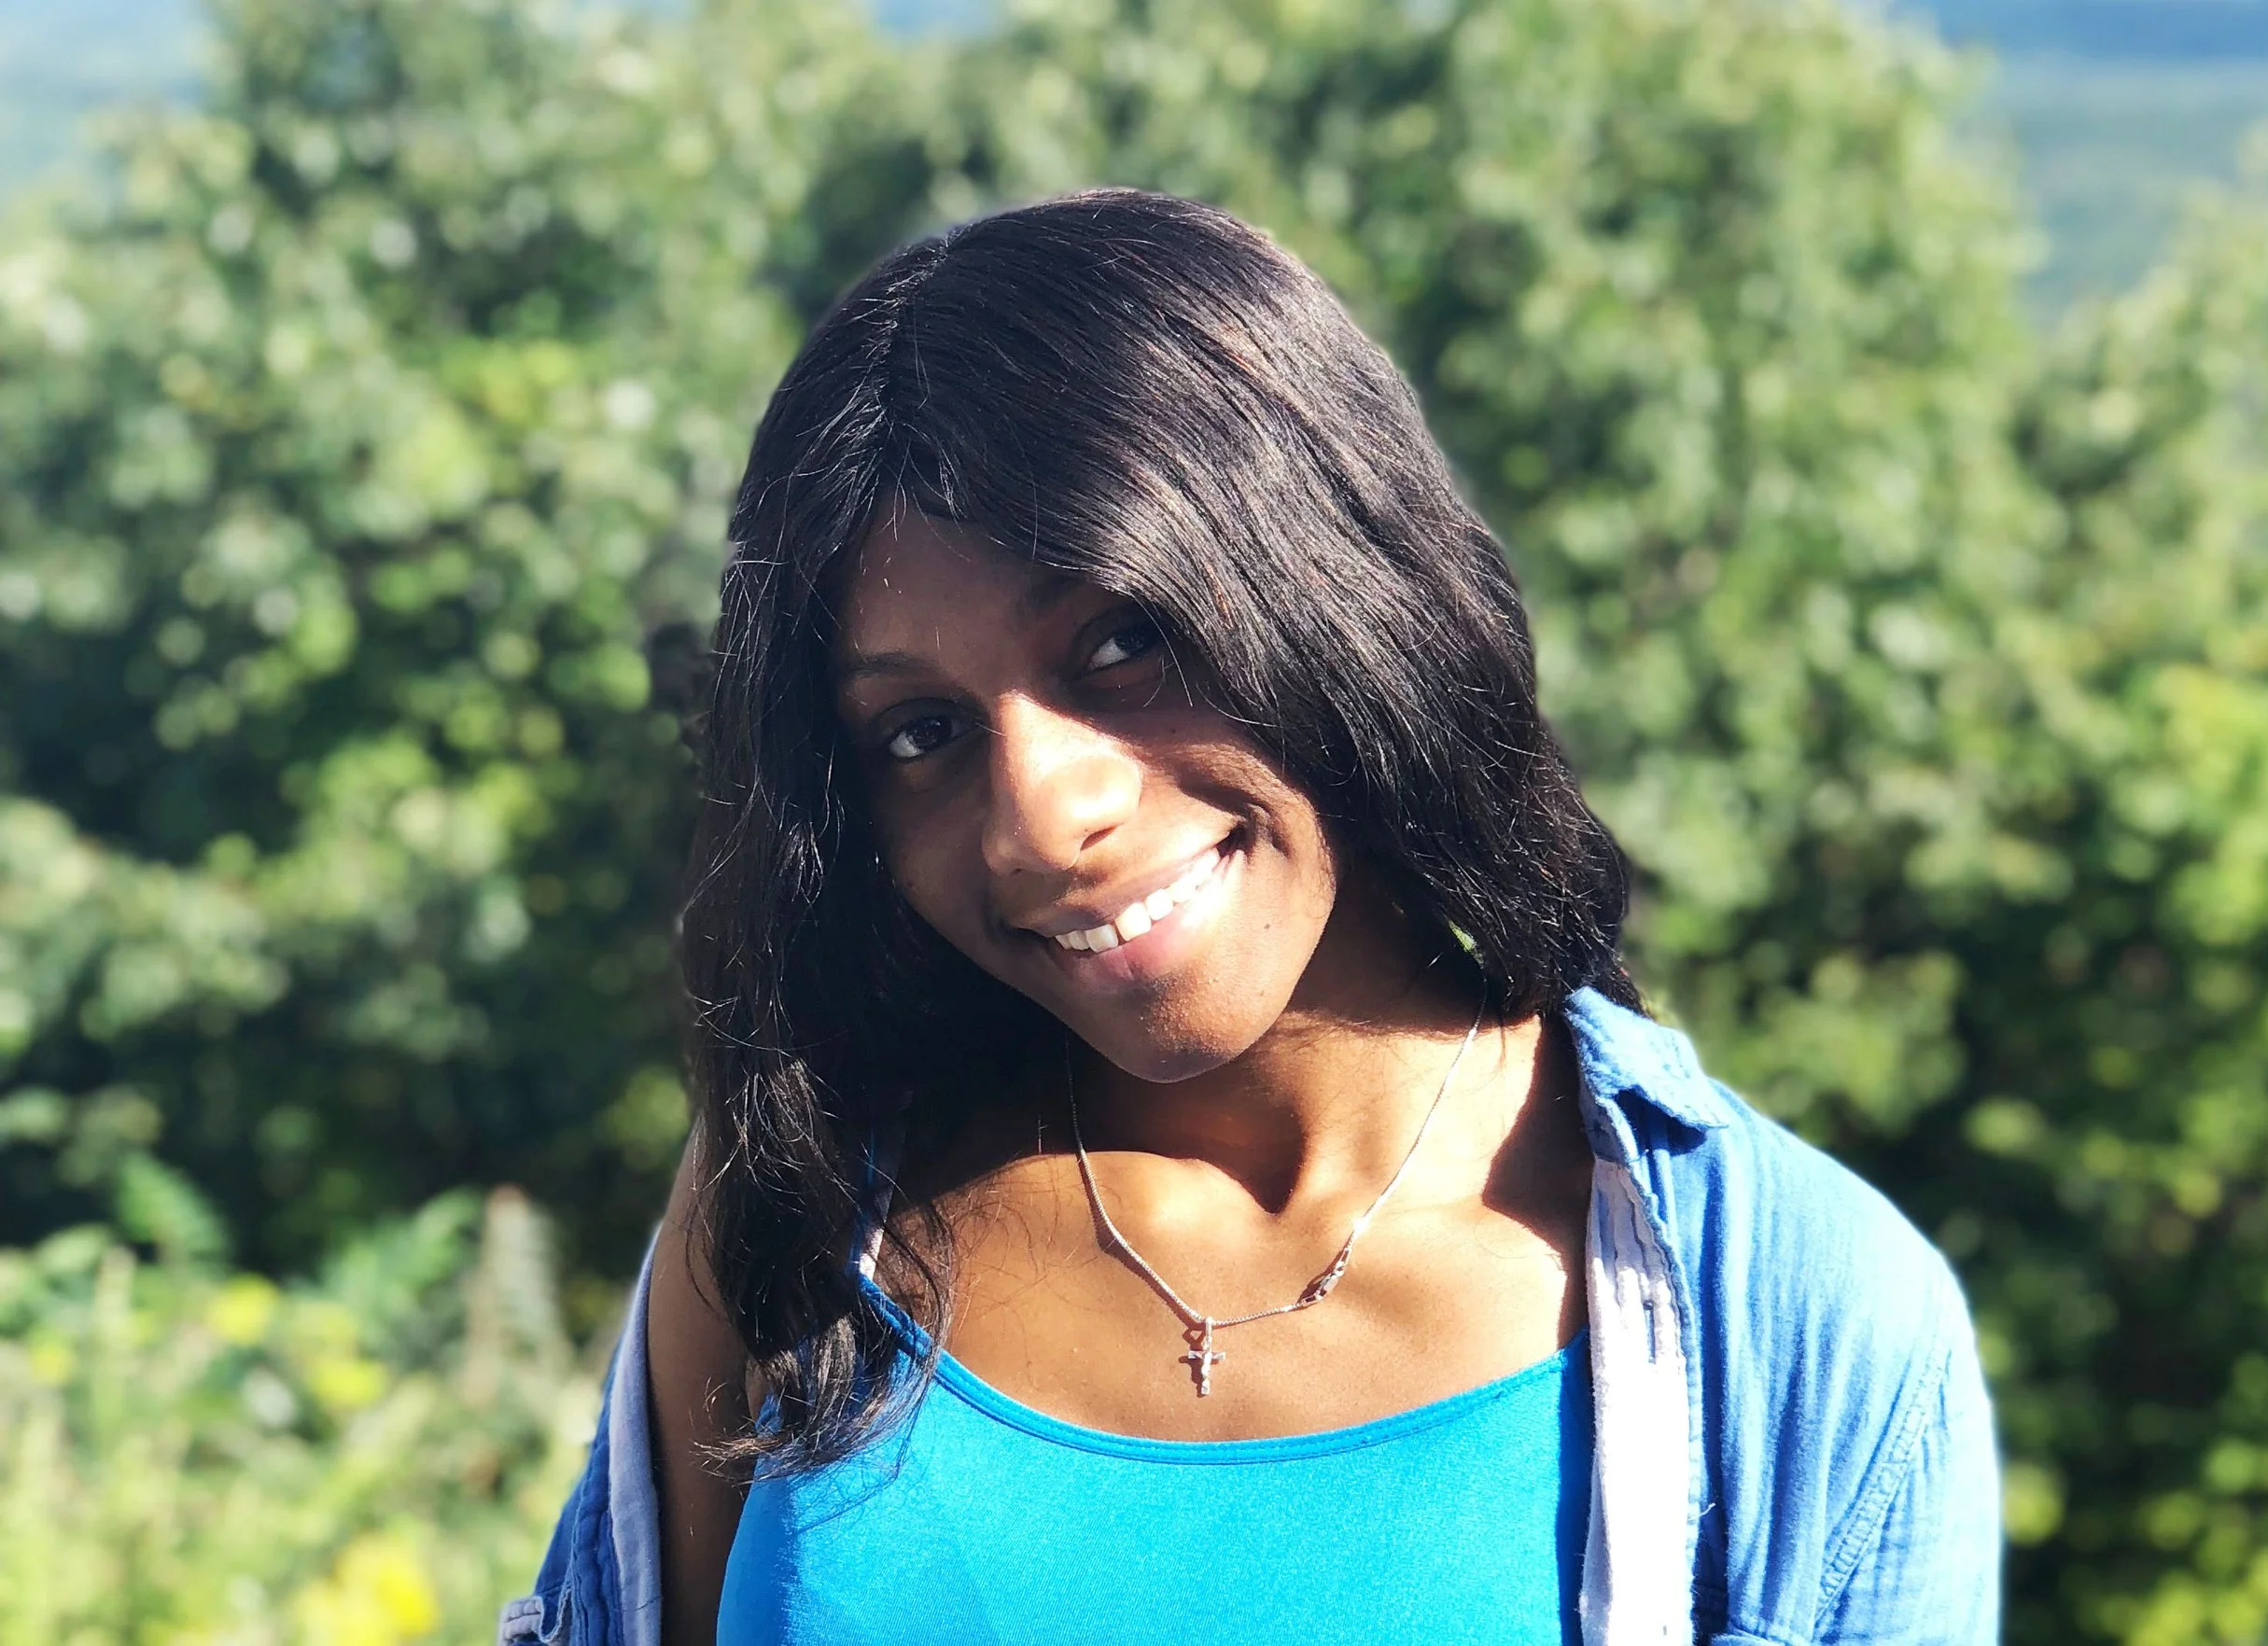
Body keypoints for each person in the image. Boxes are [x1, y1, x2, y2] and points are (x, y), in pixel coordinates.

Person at [500, 189, 2000, 1646]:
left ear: (1338, 587)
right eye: (920, 733)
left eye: (1122, 641)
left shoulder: (1800, 1330)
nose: (1042, 818)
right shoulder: (804, 1197)